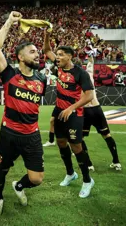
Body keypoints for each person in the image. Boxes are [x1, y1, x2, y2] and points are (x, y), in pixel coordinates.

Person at [0, 11, 47, 216]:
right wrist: (9, 22)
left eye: (37, 51)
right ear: (21, 57)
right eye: (32, 52)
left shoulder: (42, 80)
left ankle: (19, 186)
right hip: (10, 134)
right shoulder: (9, 75)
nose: (37, 54)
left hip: (32, 135)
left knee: (36, 178)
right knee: (2, 169)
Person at [43, 29, 95, 198]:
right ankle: (70, 173)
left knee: (76, 147)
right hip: (59, 112)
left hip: (74, 114)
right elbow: (46, 50)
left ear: (70, 56)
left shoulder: (80, 73)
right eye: (57, 54)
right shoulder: (58, 67)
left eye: (61, 55)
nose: (57, 57)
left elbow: (89, 96)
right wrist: (47, 35)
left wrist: (71, 108)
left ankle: (87, 180)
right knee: (61, 143)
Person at [82, 55, 121, 171]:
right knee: (106, 135)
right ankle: (116, 162)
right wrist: (90, 61)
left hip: (85, 110)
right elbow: (90, 67)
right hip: (97, 108)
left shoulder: (75, 79)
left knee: (80, 138)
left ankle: (89, 165)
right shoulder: (88, 76)